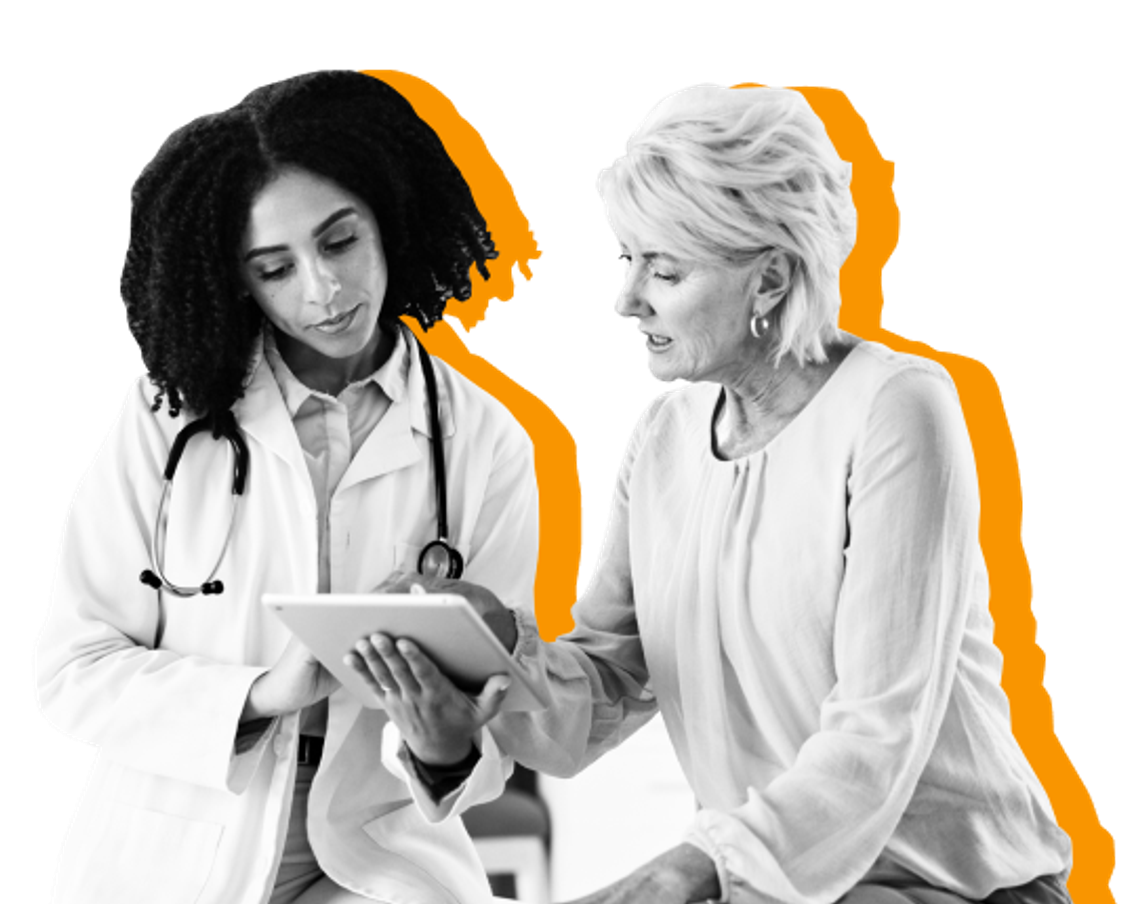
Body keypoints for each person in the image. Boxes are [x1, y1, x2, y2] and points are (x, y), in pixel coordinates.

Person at [368, 83, 1074, 903]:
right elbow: (601, 689)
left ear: (769, 279)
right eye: (627, 262)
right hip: (763, 886)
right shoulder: (665, 438)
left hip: (950, 883)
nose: (627, 301)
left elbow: (878, 730)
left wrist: (691, 867)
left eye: (665, 270)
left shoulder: (896, 409)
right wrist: (475, 668)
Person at [32, 69, 536, 904]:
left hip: (378, 854)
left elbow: (503, 717)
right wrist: (265, 693)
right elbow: (72, 672)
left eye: (339, 242)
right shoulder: (167, 422)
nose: (323, 290)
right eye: (275, 267)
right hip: (176, 852)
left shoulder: (485, 444)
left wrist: (445, 749)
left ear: (388, 216)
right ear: (237, 280)